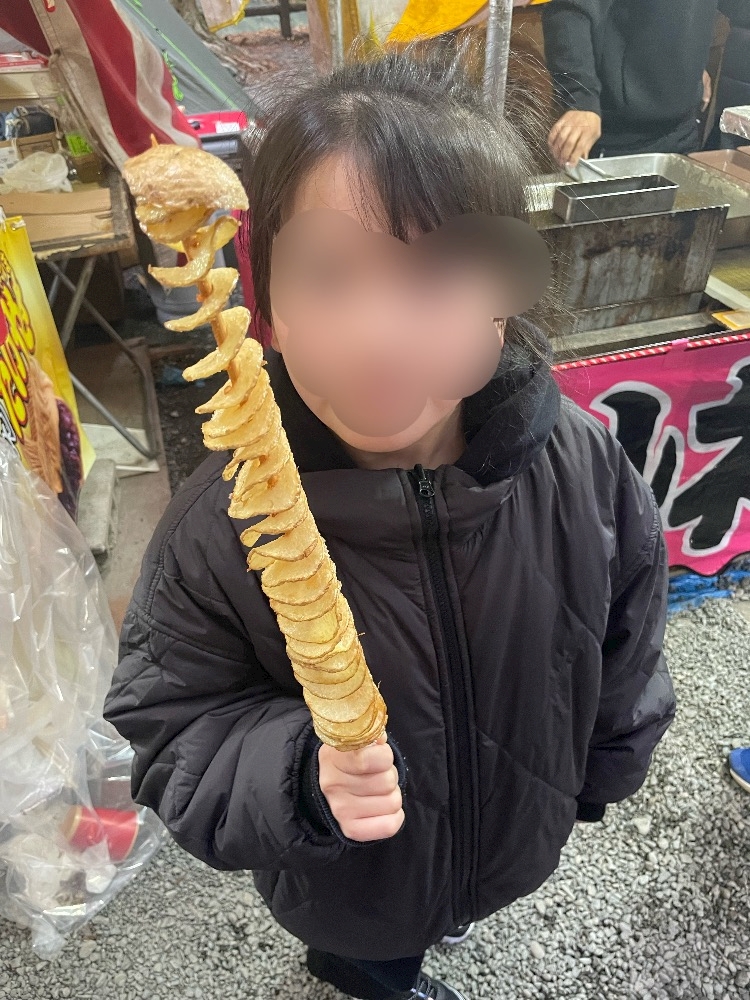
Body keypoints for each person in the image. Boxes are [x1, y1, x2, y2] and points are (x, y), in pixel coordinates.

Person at [104, 43, 676, 1000]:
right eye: (328, 274)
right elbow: (172, 730)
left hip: (511, 830)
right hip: (348, 880)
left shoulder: (580, 464)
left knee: (462, 905)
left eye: (436, 275)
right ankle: (365, 970)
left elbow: (627, 632)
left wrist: (606, 765)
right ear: (267, 300)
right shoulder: (220, 527)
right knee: (376, 957)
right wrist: (298, 775)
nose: (377, 337)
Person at [541, 0, 718, 166]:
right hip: (613, 137)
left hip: (683, 129)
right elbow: (568, 9)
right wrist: (581, 97)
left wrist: (692, 65)